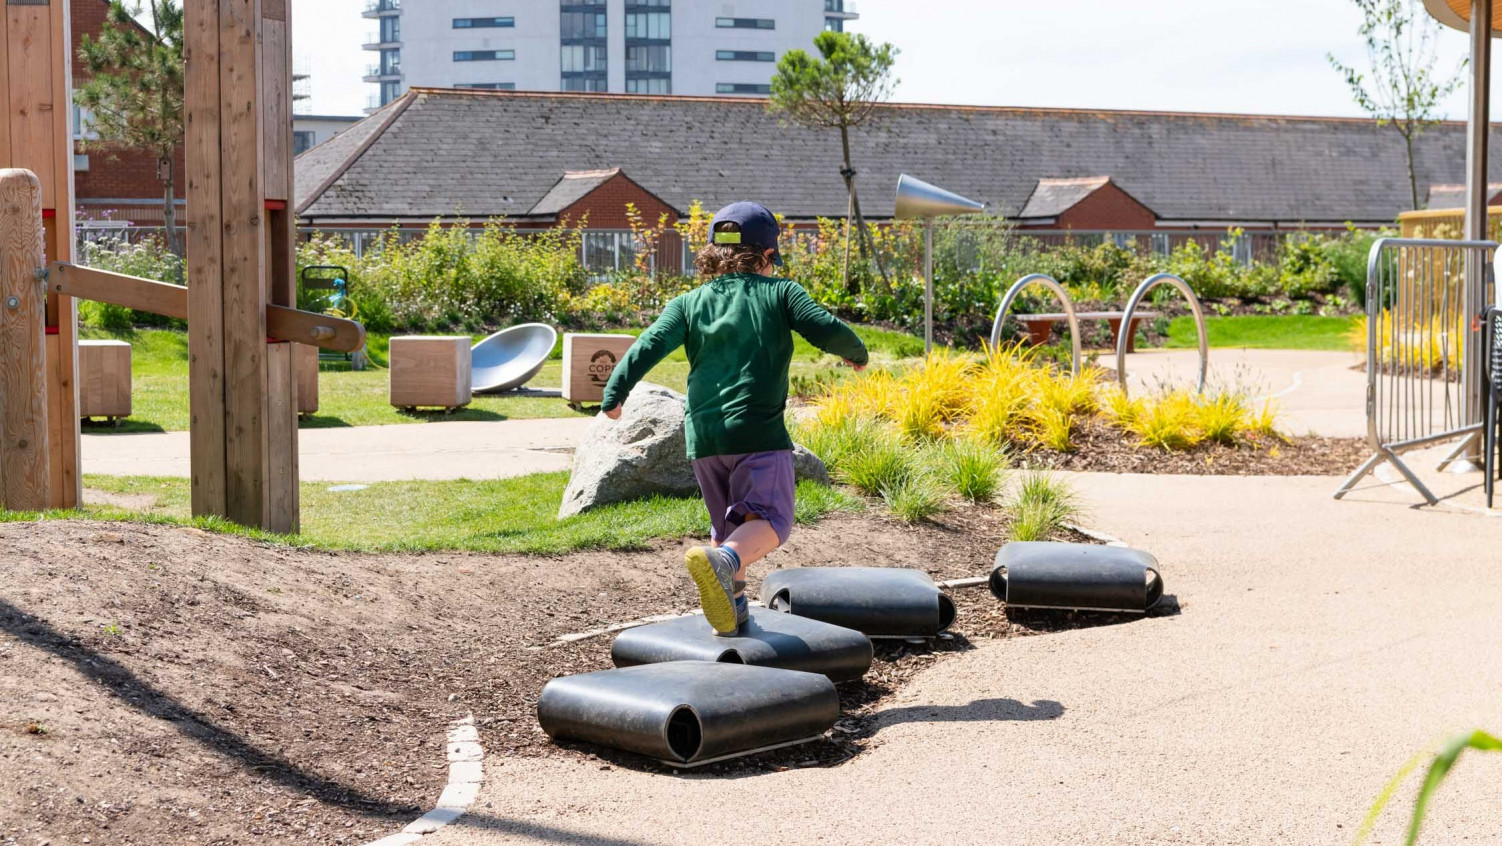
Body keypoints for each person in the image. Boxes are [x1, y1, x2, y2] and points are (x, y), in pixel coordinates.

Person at [600, 201, 868, 635]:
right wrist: (856, 353)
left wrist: (615, 394)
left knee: (729, 527)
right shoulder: (781, 293)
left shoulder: (687, 303)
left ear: (714, 253)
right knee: (771, 523)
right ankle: (724, 562)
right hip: (758, 432)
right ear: (765, 256)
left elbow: (647, 346)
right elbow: (826, 328)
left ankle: (733, 611)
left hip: (703, 439)